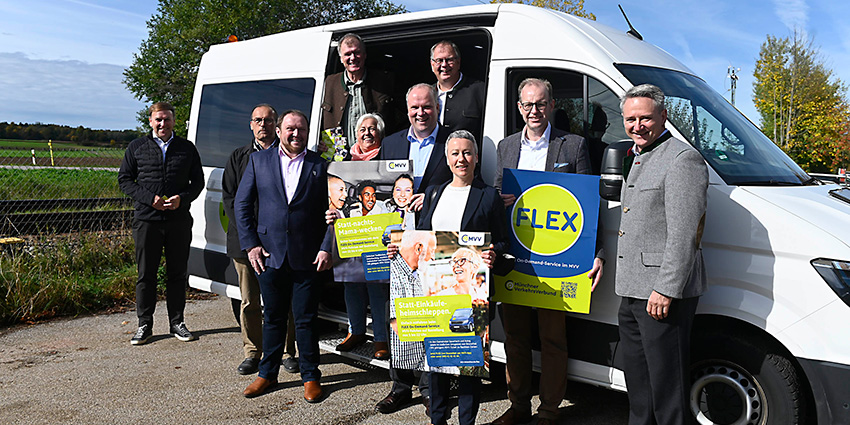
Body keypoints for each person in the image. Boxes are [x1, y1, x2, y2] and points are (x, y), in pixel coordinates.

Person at [488, 78, 602, 425]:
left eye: (540, 104)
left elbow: (588, 203)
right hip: (516, 256)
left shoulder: (574, 145)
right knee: (516, 338)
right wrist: (499, 200)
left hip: (558, 258)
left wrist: (595, 253)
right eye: (527, 105)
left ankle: (550, 410)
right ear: (519, 107)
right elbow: (495, 194)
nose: (533, 111)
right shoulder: (507, 147)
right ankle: (518, 404)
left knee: (554, 338)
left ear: (552, 105)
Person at [616, 84, 708, 424]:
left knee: (667, 391)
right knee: (639, 388)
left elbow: (686, 233)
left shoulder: (683, 159)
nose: (637, 126)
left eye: (645, 118)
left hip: (661, 293)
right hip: (632, 289)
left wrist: (666, 288)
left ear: (664, 116)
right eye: (630, 119)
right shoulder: (637, 155)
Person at [235, 110, 333, 403]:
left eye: (300, 129)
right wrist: (251, 245)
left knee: (305, 319)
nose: (295, 134)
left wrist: (327, 246)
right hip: (268, 255)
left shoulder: (321, 166)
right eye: (289, 128)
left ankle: (311, 377)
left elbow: (335, 212)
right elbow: (242, 206)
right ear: (279, 131)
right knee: (273, 318)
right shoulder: (258, 161)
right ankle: (267, 374)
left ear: (307, 133)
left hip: (309, 256)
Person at [414, 130, 510, 425]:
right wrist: (398, 246)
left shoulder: (488, 196)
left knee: (469, 363)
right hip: (437, 291)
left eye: (467, 153)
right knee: (438, 361)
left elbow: (503, 242)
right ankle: (438, 419)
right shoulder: (434, 192)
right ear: (446, 158)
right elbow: (420, 236)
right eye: (455, 153)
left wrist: (494, 254)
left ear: (477, 157)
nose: (461, 159)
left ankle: (467, 421)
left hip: (474, 293)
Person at [118, 101, 203, 346]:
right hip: (147, 221)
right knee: (146, 275)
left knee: (177, 274)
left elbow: (197, 182)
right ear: (150, 121)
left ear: (174, 121)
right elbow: (125, 180)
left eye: (166, 119)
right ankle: (144, 324)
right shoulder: (137, 147)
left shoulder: (186, 148)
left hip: (178, 221)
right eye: (158, 120)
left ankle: (177, 322)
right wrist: (149, 199)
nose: (162, 124)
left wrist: (182, 199)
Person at [222, 104, 298, 376]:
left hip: (279, 243)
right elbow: (230, 200)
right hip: (245, 244)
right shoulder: (238, 157)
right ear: (251, 125)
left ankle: (288, 352)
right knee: (250, 302)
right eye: (258, 120)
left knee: (282, 302)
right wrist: (251, 236)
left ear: (276, 126)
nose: (263, 125)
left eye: (268, 120)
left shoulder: (288, 155)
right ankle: (252, 352)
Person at [322, 33, 395, 146]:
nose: (353, 58)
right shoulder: (328, 83)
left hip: (376, 157)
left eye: (357, 53)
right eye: (347, 54)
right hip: (339, 159)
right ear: (341, 58)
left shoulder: (383, 81)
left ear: (364, 55)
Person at [378, 83, 452, 194]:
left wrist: (431, 199)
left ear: (437, 107)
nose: (420, 113)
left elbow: (466, 184)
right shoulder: (389, 145)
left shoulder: (454, 142)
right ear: (408, 110)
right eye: (415, 107)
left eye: (426, 107)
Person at [430, 40, 486, 141]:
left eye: (449, 60)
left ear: (458, 62)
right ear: (432, 64)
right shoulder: (427, 93)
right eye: (439, 60)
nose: (444, 65)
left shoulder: (479, 90)